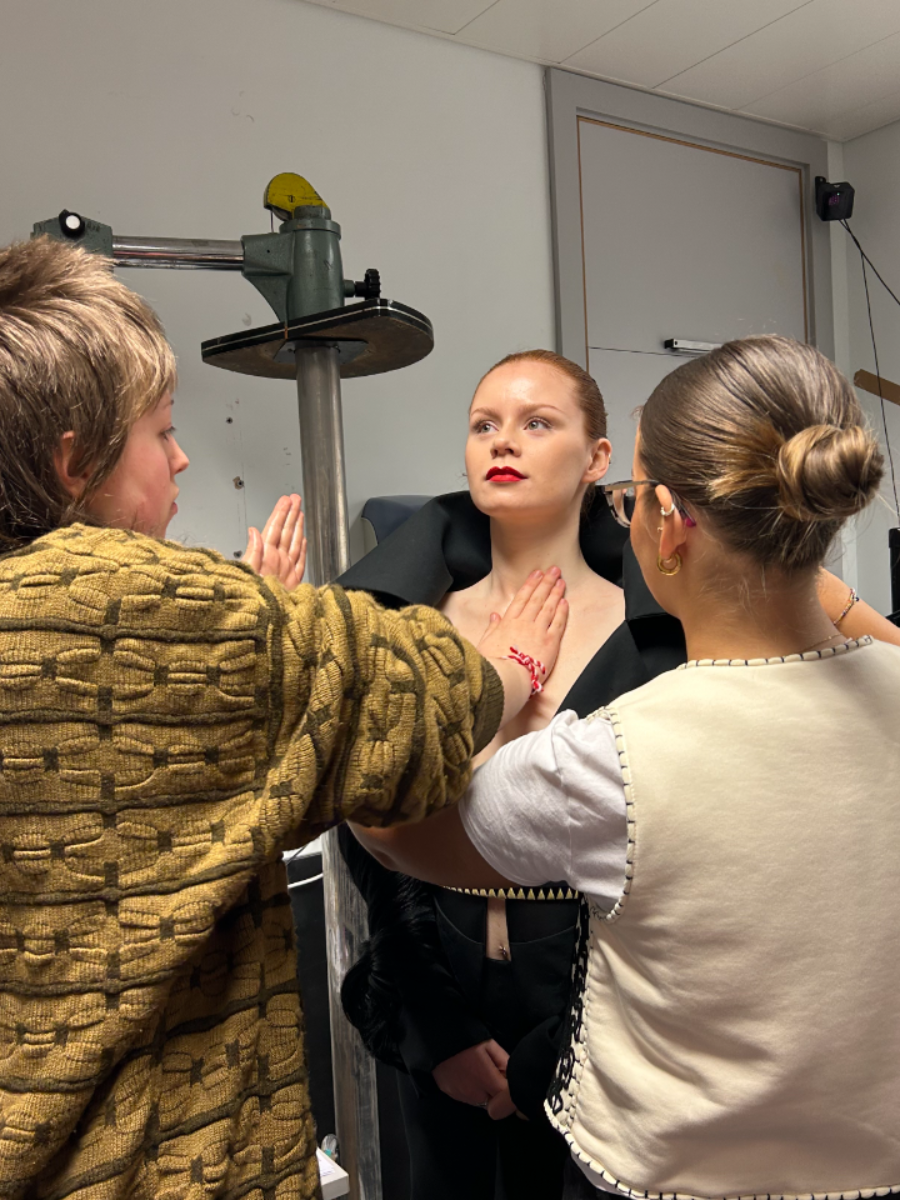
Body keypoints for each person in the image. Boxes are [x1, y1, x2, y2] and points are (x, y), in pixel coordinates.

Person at [0, 236, 568, 1200]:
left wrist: (257, 642)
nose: (182, 456)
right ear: (72, 461)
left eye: (537, 422)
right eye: (160, 433)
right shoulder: (182, 609)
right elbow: (418, 709)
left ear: (599, 458)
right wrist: (507, 668)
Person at [338, 348, 899, 1199]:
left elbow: (384, 822)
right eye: (484, 424)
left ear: (654, 512)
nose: (504, 442)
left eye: (538, 422)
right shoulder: (411, 615)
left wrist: (496, 682)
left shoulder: (621, 746)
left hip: (658, 1139)